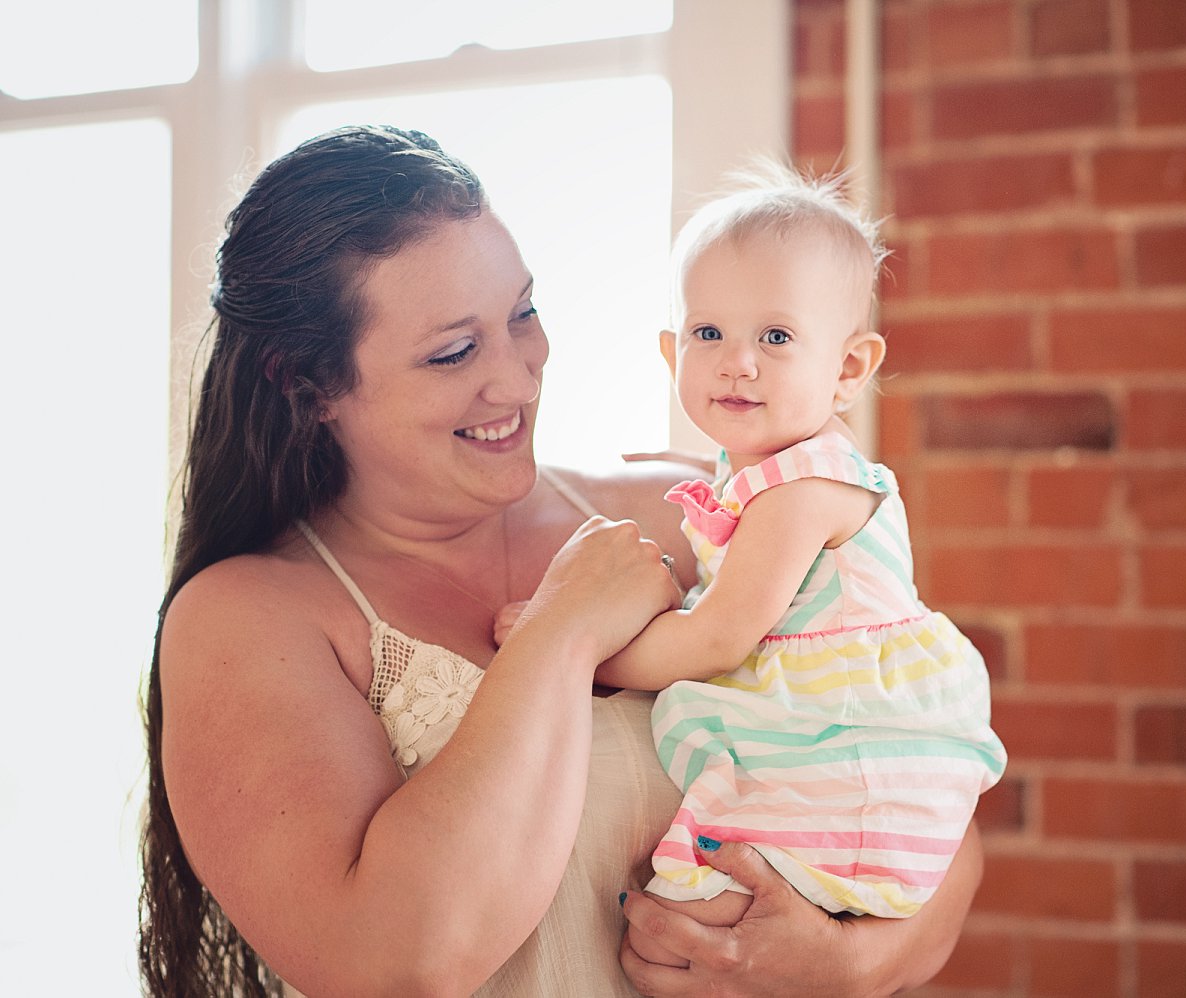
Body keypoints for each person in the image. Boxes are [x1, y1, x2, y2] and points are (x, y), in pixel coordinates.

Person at [138, 124, 985, 998]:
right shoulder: (246, 619)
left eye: (523, 315)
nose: (518, 379)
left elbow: (925, 797)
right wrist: (561, 632)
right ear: (306, 385)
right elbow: (393, 963)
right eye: (454, 352)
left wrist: (847, 964)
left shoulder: (688, 510)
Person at [596, 165, 1006, 966]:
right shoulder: (758, 471)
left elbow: (717, 637)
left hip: (848, 760)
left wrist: (584, 649)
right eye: (707, 334)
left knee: (688, 922)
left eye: (776, 338)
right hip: (819, 741)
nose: (736, 363)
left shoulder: (804, 488)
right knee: (680, 932)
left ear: (849, 369)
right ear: (671, 352)